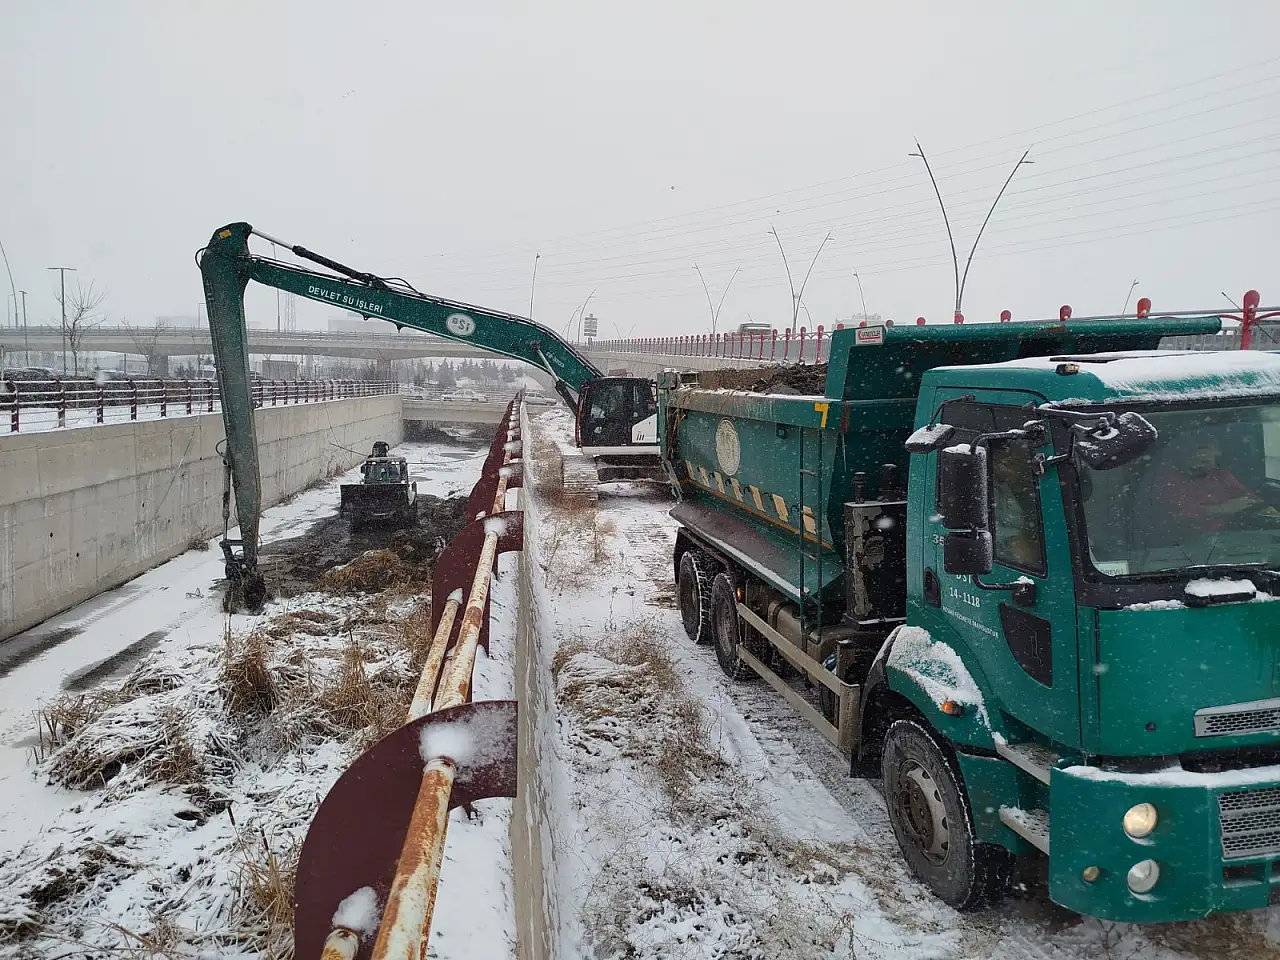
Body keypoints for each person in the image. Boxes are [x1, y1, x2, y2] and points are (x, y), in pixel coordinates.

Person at [1151, 434, 1279, 534]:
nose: (1202, 458)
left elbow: (1249, 499)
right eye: (1197, 451)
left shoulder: (1220, 475)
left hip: (1228, 538)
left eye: (1209, 452)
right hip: (1183, 548)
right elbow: (1174, 518)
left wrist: (1267, 513)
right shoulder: (1166, 479)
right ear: (1182, 453)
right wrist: (1222, 509)